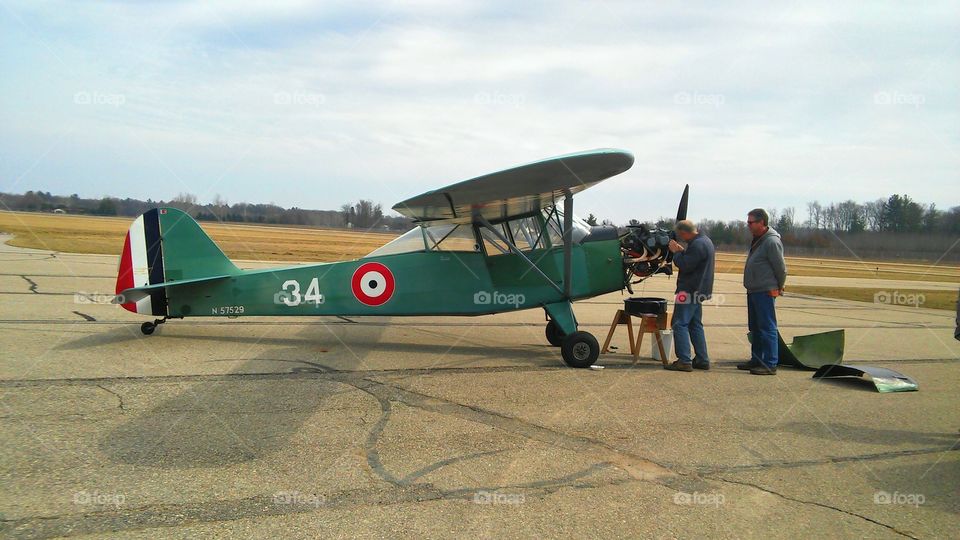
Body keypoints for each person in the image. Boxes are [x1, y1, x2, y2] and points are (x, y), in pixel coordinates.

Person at [739, 208, 787, 375]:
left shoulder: (771, 241)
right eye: (748, 222)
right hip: (754, 290)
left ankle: (770, 363)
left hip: (765, 290)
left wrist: (779, 286)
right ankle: (756, 360)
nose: (748, 225)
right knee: (756, 327)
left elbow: (780, 268)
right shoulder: (757, 239)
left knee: (767, 327)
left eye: (751, 222)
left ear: (762, 222)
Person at [664, 219, 715, 372]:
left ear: (685, 233)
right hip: (699, 290)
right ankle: (702, 358)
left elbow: (685, 265)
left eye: (681, 235)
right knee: (695, 324)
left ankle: (684, 360)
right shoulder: (705, 241)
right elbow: (694, 261)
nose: (681, 238)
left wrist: (676, 253)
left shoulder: (698, 245)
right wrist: (683, 251)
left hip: (688, 291)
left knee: (679, 323)